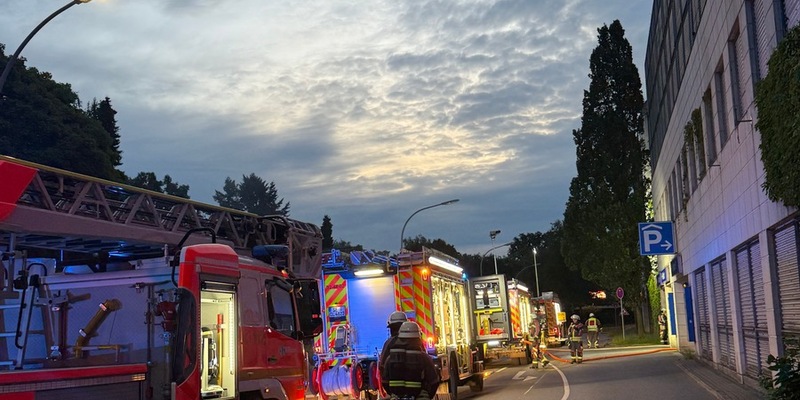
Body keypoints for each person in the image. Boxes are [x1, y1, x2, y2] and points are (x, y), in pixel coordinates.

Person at [381, 321, 439, 400]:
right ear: (418, 338)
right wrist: (426, 395)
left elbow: (385, 381)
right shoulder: (424, 358)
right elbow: (434, 382)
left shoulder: (390, 358)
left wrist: (394, 394)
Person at [379, 311, 408, 379]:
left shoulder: (389, 343)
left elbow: (382, 366)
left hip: (394, 388)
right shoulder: (416, 342)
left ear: (392, 328)